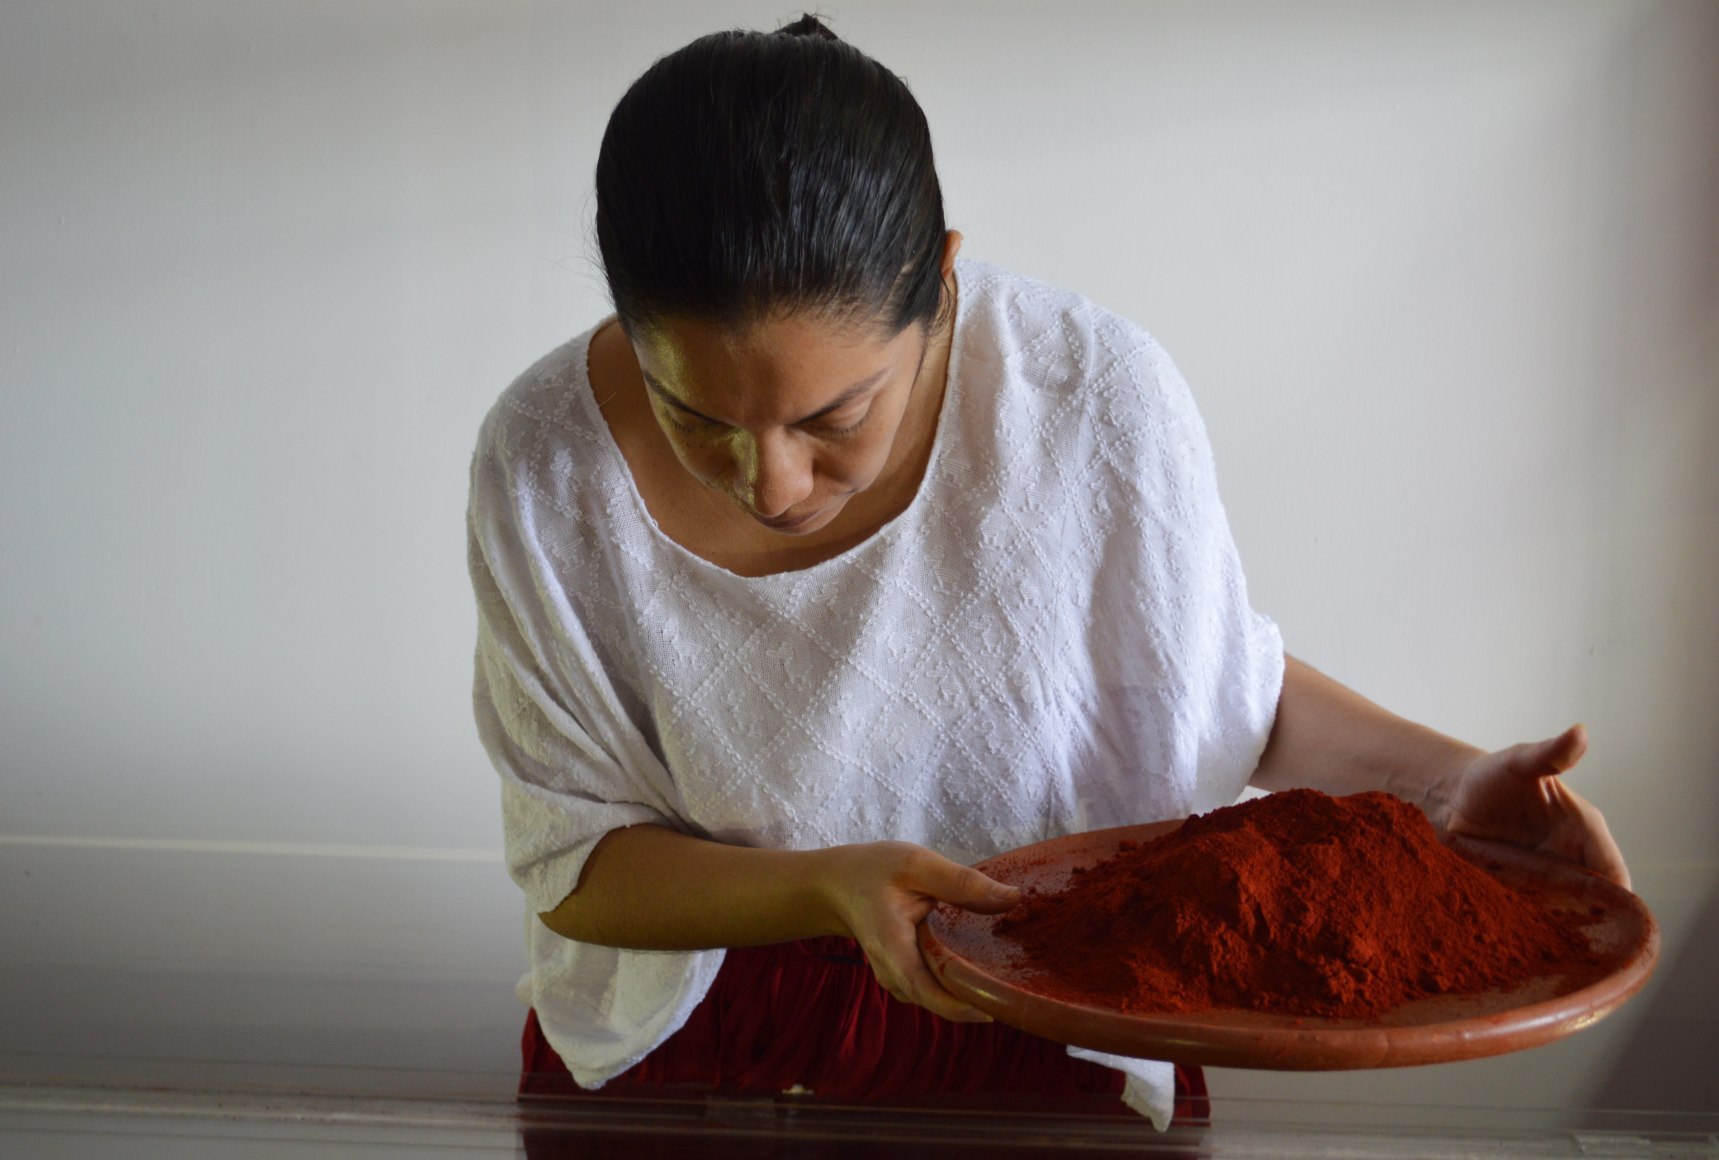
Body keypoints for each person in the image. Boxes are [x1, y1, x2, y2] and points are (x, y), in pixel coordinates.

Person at [466, 13, 1630, 1136]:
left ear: (941, 280)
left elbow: (1210, 686)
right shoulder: (544, 461)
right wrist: (825, 886)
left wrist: (1446, 786)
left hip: (1053, 1009)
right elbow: (573, 856)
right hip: (700, 1031)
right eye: (696, 416)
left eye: (835, 416)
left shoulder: (1090, 398)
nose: (770, 483)